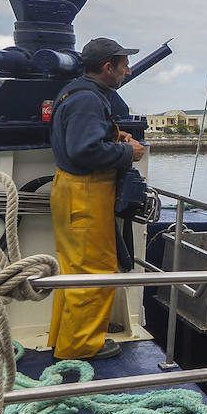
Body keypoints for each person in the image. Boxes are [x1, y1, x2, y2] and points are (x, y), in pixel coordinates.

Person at [48, 37, 146, 360]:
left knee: (75, 269)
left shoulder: (76, 91)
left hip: (73, 190)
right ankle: (81, 346)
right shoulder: (88, 100)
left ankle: (64, 337)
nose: (127, 71)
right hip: (85, 193)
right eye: (123, 65)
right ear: (108, 68)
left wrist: (116, 136)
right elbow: (83, 149)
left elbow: (81, 137)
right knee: (95, 270)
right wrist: (126, 151)